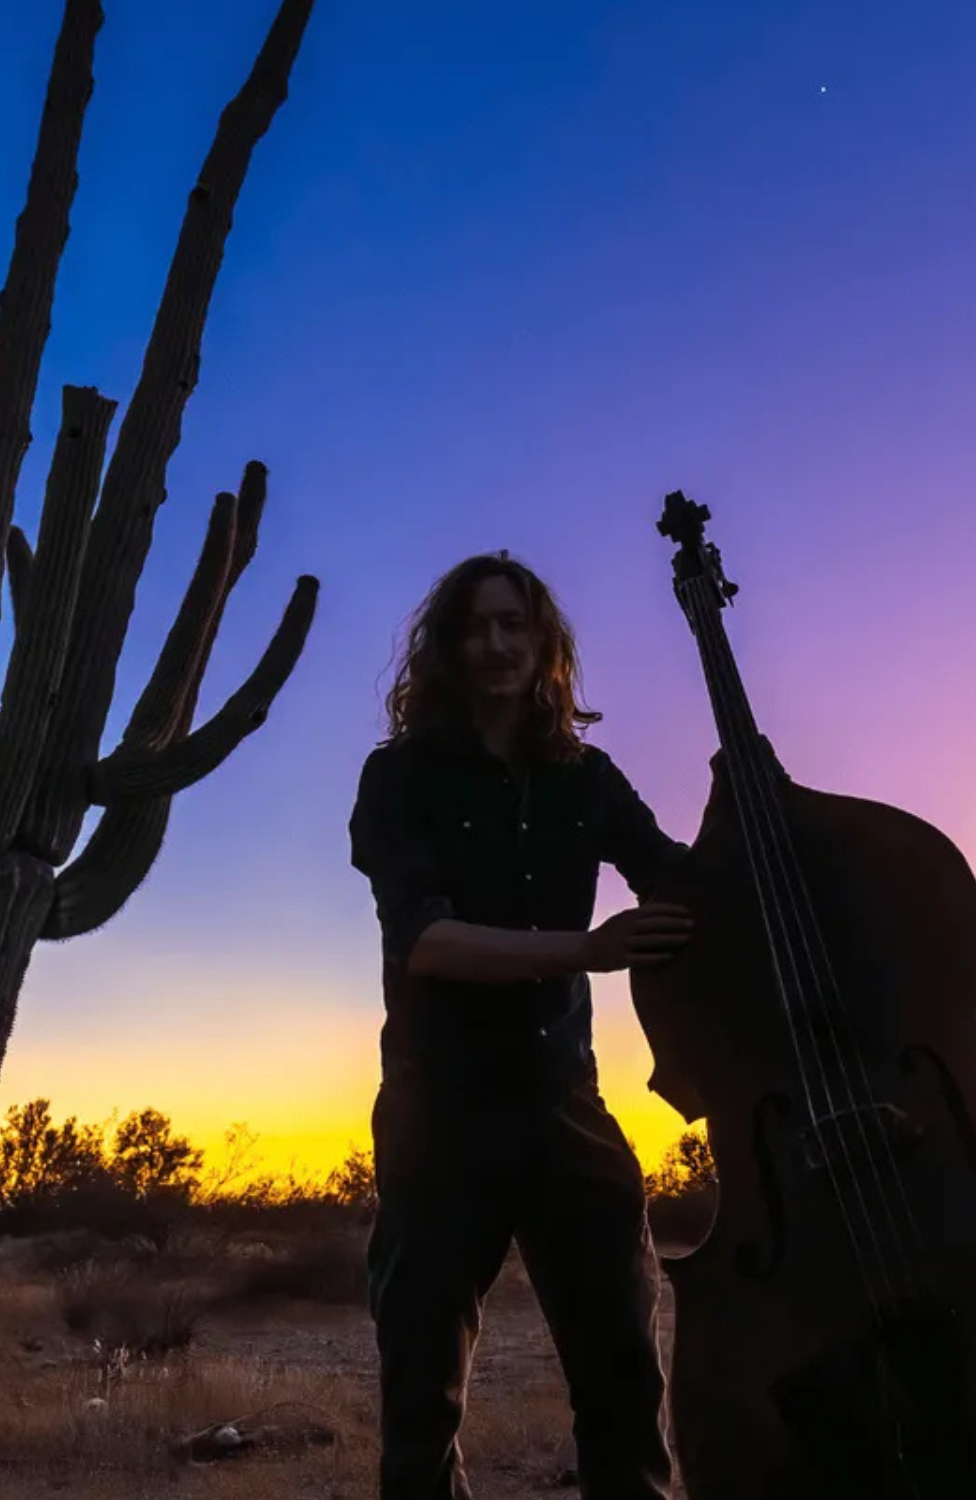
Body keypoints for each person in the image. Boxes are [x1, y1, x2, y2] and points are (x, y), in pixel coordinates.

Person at [348, 551, 695, 1500]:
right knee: (422, 1402)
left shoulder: (588, 779)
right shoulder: (400, 779)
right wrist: (584, 950)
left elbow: (677, 877)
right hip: (439, 1114)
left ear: (545, 645)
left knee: (625, 1385)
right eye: (476, 628)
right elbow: (424, 941)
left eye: (516, 626)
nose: (497, 645)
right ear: (447, 649)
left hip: (563, 1110)